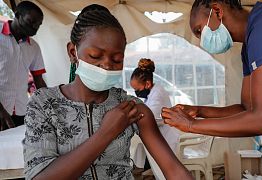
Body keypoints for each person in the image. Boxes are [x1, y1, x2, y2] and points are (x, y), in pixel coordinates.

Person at [23, 4, 192, 180]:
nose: (107, 65)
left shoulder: (132, 109)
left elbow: (173, 170)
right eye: (95, 56)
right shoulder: (43, 104)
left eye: (117, 59)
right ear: (73, 52)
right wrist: (106, 133)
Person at [161, 0, 262, 179]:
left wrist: (191, 126)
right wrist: (199, 111)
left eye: (199, 31)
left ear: (217, 10)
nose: (201, 41)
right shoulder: (251, 44)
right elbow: (248, 109)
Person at [0, 1, 46, 131]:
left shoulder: (34, 47)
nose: (35, 27)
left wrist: (50, 104)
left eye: (39, 24)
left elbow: (39, 80)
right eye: (31, 21)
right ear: (17, 14)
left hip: (20, 111)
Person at [130, 58, 180, 167]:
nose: (136, 93)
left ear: (147, 84)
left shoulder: (157, 94)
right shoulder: (152, 92)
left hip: (167, 139)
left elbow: (148, 114)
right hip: (162, 135)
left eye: (137, 89)